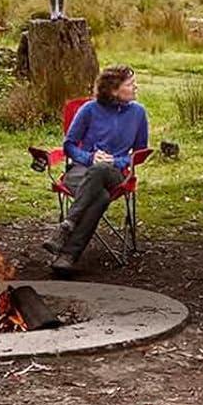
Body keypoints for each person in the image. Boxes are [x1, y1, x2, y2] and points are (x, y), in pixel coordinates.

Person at [41, 64, 149, 276]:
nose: (135, 86)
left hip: (115, 174)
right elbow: (69, 145)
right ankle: (68, 256)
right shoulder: (89, 110)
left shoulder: (138, 113)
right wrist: (90, 157)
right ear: (113, 90)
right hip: (81, 172)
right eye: (130, 84)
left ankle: (68, 224)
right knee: (99, 197)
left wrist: (116, 161)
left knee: (101, 170)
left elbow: (140, 151)